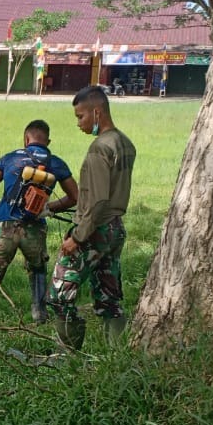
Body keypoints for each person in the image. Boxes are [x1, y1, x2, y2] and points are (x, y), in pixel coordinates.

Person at [51, 85, 136, 349]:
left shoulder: (100, 148)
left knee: (59, 294)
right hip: (115, 229)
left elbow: (98, 200)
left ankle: (66, 357)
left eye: (81, 116)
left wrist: (77, 237)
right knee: (109, 297)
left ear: (97, 113)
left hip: (94, 229)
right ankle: (118, 355)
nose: (78, 123)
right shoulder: (124, 143)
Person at [0, 120, 78, 331]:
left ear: (25, 138)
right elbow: (74, 197)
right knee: (38, 269)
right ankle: (39, 316)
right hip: (35, 228)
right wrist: (49, 208)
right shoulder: (56, 163)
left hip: (6, 227)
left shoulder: (10, 158)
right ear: (48, 141)